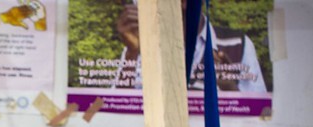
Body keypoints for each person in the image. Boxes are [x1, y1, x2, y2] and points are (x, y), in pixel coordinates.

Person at [113, 0, 267, 92]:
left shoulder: (237, 44)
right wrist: (131, 54)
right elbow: (112, 112)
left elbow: (261, 116)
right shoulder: (139, 47)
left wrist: (229, 87)